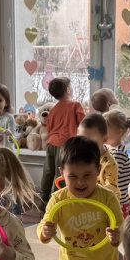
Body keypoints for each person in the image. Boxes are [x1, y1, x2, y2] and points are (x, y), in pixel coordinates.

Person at [38, 77, 86, 208]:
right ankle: (57, 202)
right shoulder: (75, 105)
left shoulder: (53, 109)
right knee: (61, 174)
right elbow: (84, 122)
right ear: (68, 90)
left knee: (48, 172)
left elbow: (49, 128)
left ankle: (43, 199)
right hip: (65, 145)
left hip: (51, 144)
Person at [104, 109, 130, 260]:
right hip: (110, 203)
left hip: (117, 205)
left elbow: (111, 183)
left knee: (112, 242)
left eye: (106, 129)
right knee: (106, 240)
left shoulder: (116, 154)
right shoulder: (109, 150)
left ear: (118, 132)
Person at [78, 113, 118, 194]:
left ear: (105, 139)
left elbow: (111, 189)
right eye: (82, 140)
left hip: (102, 200)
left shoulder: (109, 164)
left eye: (92, 142)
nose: (86, 146)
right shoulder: (79, 157)